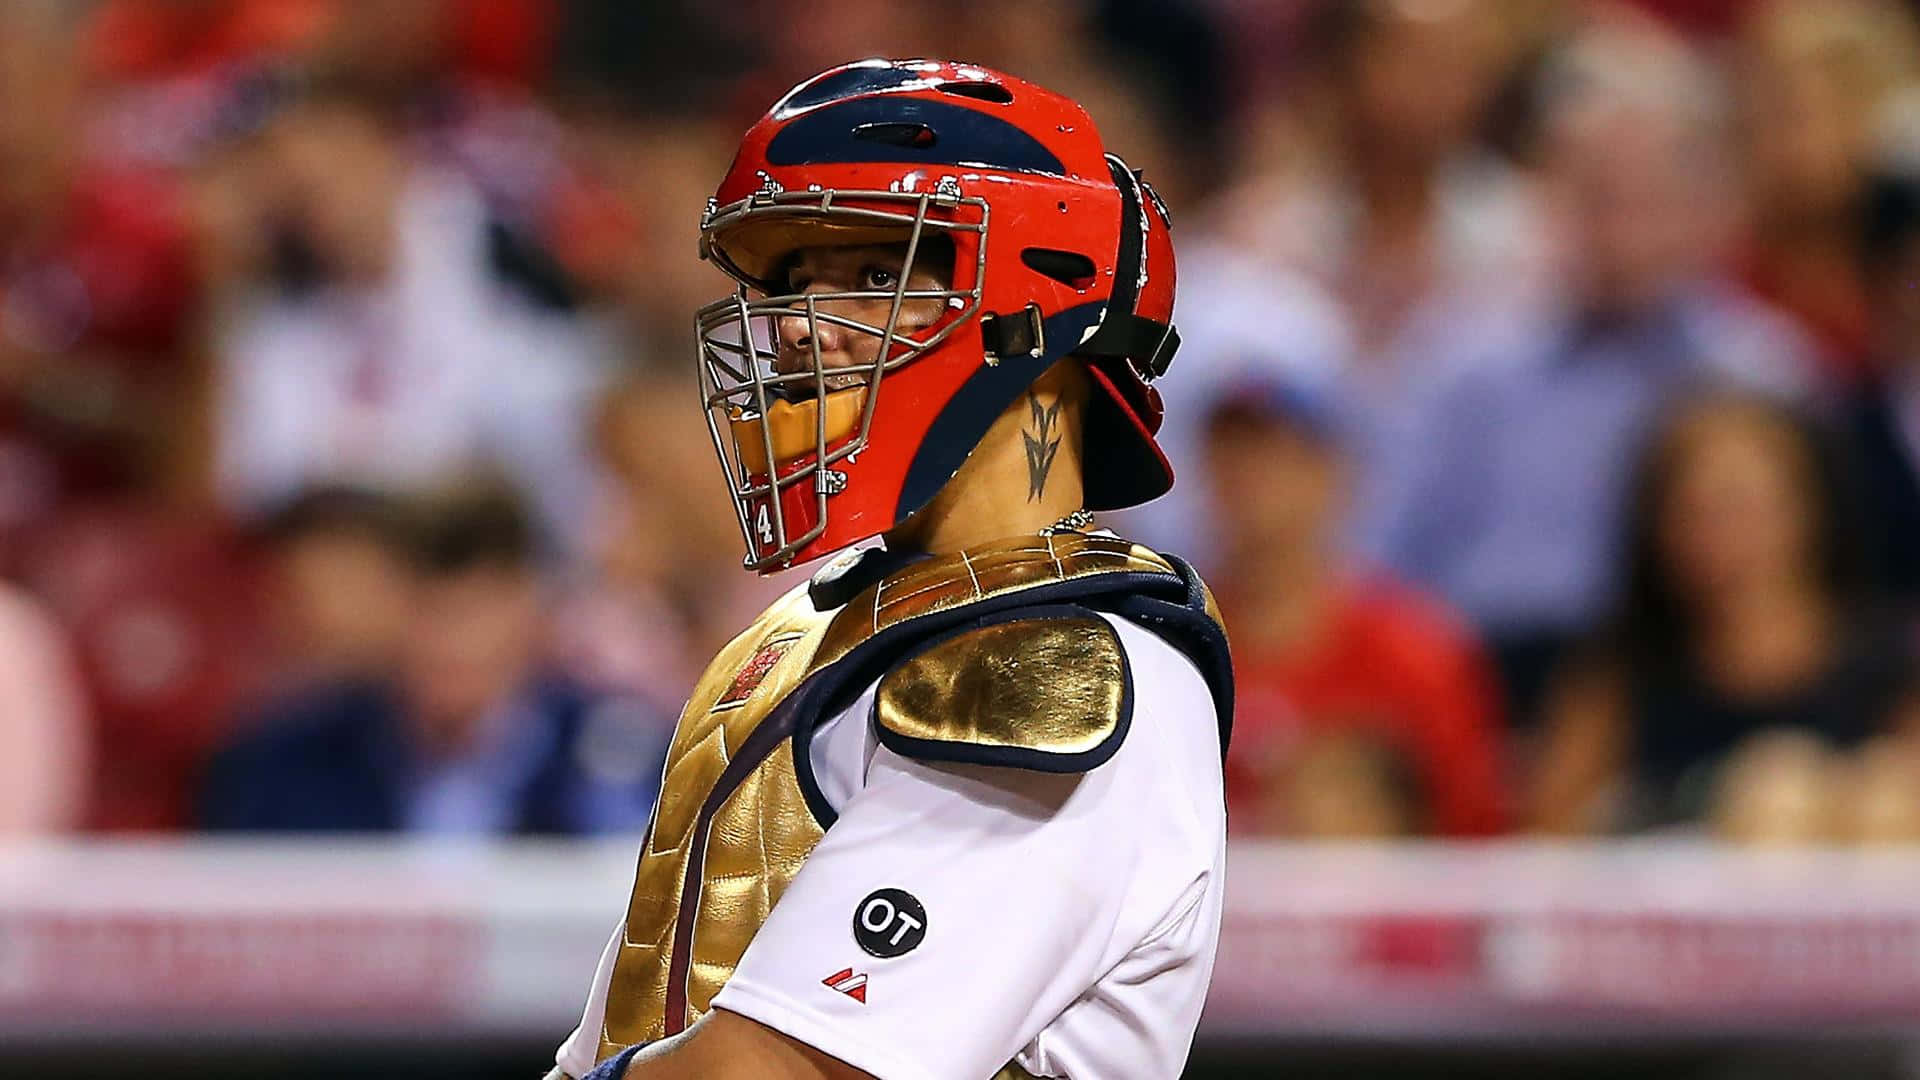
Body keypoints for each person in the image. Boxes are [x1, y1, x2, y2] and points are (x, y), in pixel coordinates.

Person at [549, 60, 1232, 1080]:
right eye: (792, 286)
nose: (797, 328)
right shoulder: (793, 637)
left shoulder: (1061, 670)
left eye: (875, 278)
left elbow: (781, 1075)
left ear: (1036, 315)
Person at [1530, 393, 1919, 836]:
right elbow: (1548, 840)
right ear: (1656, 526)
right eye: (1696, 513)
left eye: (1747, 508)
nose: (1725, 538)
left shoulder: (1890, 664)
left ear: (1812, 511)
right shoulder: (1617, 675)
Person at [199, 483, 664, 834]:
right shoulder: (284, 763)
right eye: (425, 610)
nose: (450, 643)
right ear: (382, 612)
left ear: (532, 612)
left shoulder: (620, 756)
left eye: (474, 612)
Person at [1201, 373, 1506, 839]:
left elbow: (1471, 835)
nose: (1250, 480)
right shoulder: (1174, 640)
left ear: (1334, 474)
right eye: (1231, 456)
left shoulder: (1418, 654)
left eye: (1279, 458)